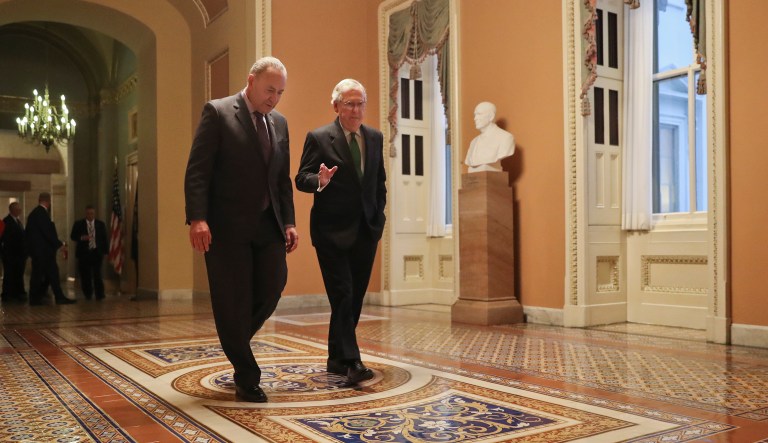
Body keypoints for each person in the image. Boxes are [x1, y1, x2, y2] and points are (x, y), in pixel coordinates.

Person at [184, 56, 298, 403]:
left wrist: (289, 221)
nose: (274, 98)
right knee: (232, 298)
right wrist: (197, 218)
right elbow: (198, 171)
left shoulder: (279, 123)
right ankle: (247, 375)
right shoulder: (218, 113)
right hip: (226, 228)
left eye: (279, 92)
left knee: (273, 284)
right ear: (251, 81)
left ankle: (233, 337)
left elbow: (281, 180)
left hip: (268, 225)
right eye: (269, 90)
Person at [295, 79, 387, 384]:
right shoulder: (320, 137)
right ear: (336, 106)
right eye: (349, 103)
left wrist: (379, 217)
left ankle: (336, 358)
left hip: (366, 230)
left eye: (360, 103)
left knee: (354, 297)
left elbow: (378, 183)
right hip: (331, 232)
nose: (356, 109)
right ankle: (352, 360)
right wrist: (319, 182)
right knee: (343, 294)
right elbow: (301, 177)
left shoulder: (374, 137)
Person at [25, 192, 75, 305]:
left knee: (49, 274)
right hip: (43, 253)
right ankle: (37, 298)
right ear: (48, 201)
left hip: (41, 252)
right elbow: (47, 233)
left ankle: (47, 296)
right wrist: (60, 243)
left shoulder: (35, 213)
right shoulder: (41, 213)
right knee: (43, 275)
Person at [70, 205, 109, 300]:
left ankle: (100, 294)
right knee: (85, 275)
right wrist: (82, 237)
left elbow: (104, 239)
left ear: (94, 214)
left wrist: (105, 252)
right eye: (88, 213)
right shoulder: (79, 224)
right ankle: (88, 293)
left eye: (92, 213)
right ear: (85, 214)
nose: (90, 215)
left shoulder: (100, 224)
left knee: (97, 274)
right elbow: (73, 236)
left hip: (96, 252)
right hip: (84, 253)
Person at [464, 101, 515, 172]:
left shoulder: (506, 138)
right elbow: (468, 160)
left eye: (479, 114)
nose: (475, 118)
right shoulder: (473, 142)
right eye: (475, 115)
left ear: (491, 116)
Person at [1, 202, 26, 303]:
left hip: (19, 254)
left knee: (18, 274)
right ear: (12, 210)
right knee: (9, 275)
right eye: (18, 209)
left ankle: (17, 293)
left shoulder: (18, 221)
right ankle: (7, 294)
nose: (20, 211)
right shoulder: (6, 221)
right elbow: (5, 239)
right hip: (10, 254)